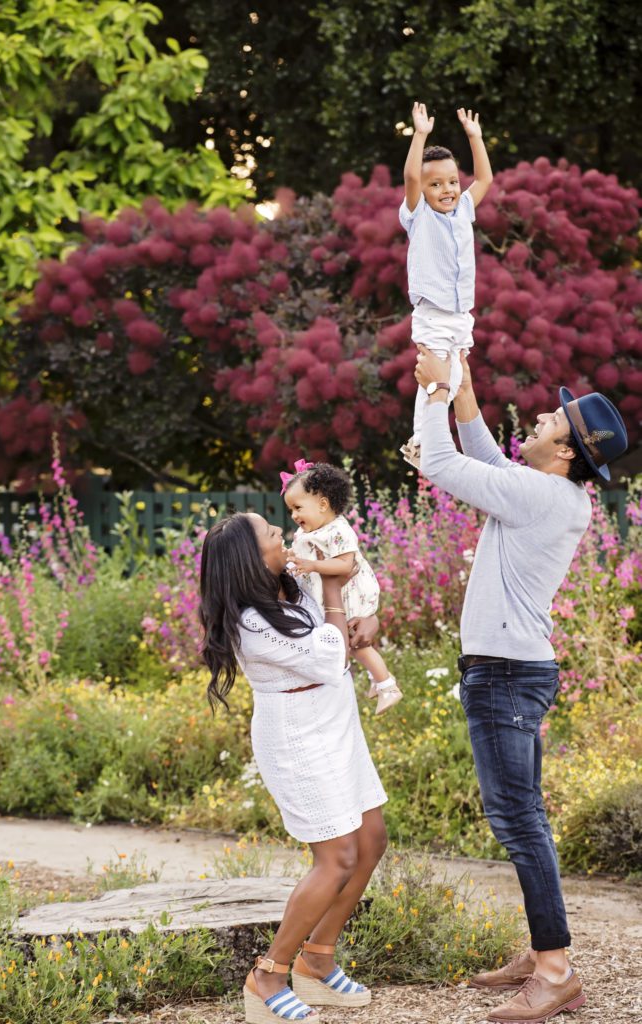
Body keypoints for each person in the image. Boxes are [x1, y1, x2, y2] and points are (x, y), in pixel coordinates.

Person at [414, 346, 628, 1024]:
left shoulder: (540, 495)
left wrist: (432, 393)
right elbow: (483, 456)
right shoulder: (551, 493)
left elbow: (447, 462)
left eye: (553, 419)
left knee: (517, 821)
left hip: (505, 675)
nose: (539, 414)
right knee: (523, 817)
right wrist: (463, 384)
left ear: (565, 453)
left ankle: (556, 971)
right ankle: (543, 956)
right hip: (511, 670)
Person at [199, 511, 388, 1024]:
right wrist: (330, 591)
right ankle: (268, 974)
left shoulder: (292, 583)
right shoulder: (251, 622)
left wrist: (367, 618)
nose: (284, 532)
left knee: (371, 840)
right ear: (250, 558)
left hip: (336, 720)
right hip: (297, 736)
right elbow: (328, 657)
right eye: (272, 533)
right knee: (337, 857)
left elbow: (350, 613)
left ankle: (317, 959)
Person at [399, 101, 494, 469]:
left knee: (454, 379)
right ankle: (422, 440)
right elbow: (410, 178)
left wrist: (476, 138)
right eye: (436, 184)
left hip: (459, 315)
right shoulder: (418, 214)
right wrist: (420, 135)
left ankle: (426, 440)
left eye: (453, 181)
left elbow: (484, 180)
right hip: (433, 314)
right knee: (437, 379)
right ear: (422, 190)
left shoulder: (464, 210)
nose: (448, 189)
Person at [281, 459, 402, 715]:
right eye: (291, 509)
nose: (294, 515)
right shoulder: (311, 531)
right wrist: (294, 558)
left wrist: (312, 566)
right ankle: (376, 680)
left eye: (298, 507)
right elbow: (306, 556)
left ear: (323, 504)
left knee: (357, 644)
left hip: (351, 593)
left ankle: (387, 685)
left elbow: (346, 565)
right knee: (354, 642)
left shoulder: (337, 531)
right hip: (335, 594)